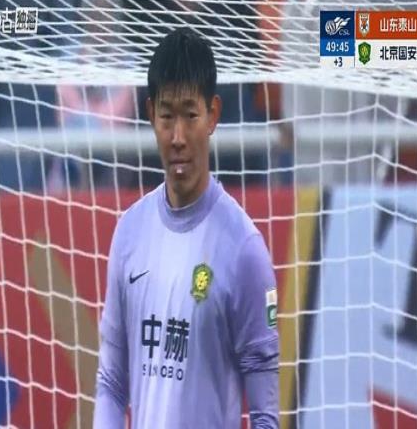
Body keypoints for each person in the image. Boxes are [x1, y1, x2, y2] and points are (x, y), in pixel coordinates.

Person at [93, 28, 279, 428]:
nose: (177, 137)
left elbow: (265, 416)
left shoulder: (243, 247)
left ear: (212, 114)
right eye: (167, 116)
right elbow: (111, 381)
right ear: (150, 114)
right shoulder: (130, 232)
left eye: (190, 115)